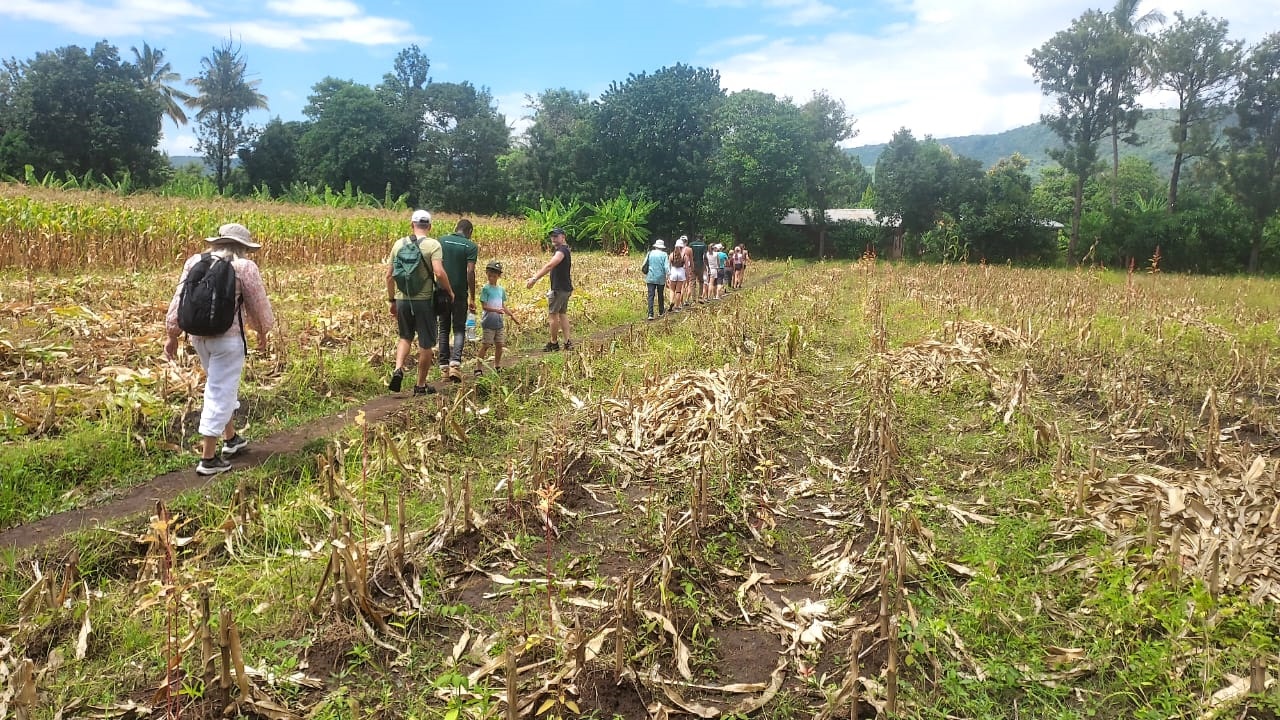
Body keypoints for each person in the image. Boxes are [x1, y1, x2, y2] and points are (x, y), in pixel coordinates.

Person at [164, 222, 275, 476]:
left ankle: (231, 438)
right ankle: (208, 458)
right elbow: (259, 305)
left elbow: (179, 299)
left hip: (198, 337)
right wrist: (262, 332)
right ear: (243, 247)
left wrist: (172, 335)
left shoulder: (195, 261)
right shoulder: (244, 267)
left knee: (219, 386)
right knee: (219, 392)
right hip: (228, 340)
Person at [386, 209, 454, 396]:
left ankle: (398, 369)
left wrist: (392, 300)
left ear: (412, 225)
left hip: (402, 299)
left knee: (405, 337)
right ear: (429, 226)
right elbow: (439, 272)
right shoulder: (433, 245)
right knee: (425, 344)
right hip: (424, 301)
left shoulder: (398, 244)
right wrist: (449, 291)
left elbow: (389, 276)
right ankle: (420, 385)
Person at [436, 219, 478, 383]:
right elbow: (470, 272)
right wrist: (472, 296)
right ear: (470, 231)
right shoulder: (470, 246)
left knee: (443, 328)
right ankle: (455, 365)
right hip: (460, 293)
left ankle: (444, 369)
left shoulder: (441, 241)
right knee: (459, 328)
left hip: (442, 291)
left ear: (456, 228)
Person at [526, 227, 573, 351]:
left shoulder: (561, 251)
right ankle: (567, 342)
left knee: (553, 315)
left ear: (563, 237)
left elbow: (550, 265)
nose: (553, 238)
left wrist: (534, 278)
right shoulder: (565, 249)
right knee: (562, 314)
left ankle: (553, 343)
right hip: (566, 288)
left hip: (559, 289)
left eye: (556, 236)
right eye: (552, 236)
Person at [476, 260, 517, 374]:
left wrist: (512, 316)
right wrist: (496, 310)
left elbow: (503, 306)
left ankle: (497, 365)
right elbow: (484, 306)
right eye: (489, 276)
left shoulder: (501, 290)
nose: (491, 278)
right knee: (486, 345)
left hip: (499, 322)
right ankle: (478, 368)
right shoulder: (485, 289)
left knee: (499, 344)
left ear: (498, 276)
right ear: (486, 274)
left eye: (494, 276)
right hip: (488, 322)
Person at [644, 239, 670, 321]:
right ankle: (661, 311)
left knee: (651, 295)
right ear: (662, 247)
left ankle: (650, 314)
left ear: (655, 246)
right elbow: (666, 267)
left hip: (650, 277)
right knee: (660, 294)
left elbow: (644, 263)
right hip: (660, 278)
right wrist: (668, 276)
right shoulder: (664, 255)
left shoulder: (650, 253)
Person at [667, 236, 688, 312]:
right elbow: (686, 267)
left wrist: (667, 276)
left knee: (672, 290)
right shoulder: (684, 256)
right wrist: (687, 276)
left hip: (673, 272)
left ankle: (671, 302)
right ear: (682, 247)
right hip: (681, 272)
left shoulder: (671, 255)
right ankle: (677, 306)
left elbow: (668, 266)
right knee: (678, 291)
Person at [689, 235, 708, 303]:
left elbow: (689, 255)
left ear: (696, 238)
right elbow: (704, 256)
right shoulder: (703, 245)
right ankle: (700, 297)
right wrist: (706, 265)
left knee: (692, 281)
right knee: (701, 281)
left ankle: (693, 298)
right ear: (702, 238)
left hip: (693, 264)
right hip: (700, 264)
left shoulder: (691, 244)